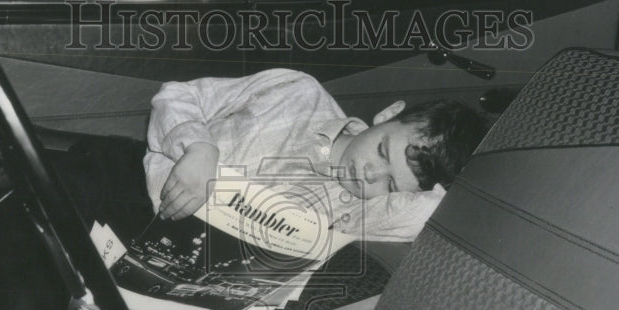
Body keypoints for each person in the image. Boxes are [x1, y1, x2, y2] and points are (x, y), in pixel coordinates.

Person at [52, 68, 488, 244]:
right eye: (380, 152)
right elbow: (179, 95)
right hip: (130, 187)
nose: (369, 176)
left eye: (390, 183)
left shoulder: (364, 211)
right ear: (388, 114)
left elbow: (433, 208)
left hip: (176, 254)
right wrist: (199, 149)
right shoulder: (298, 92)